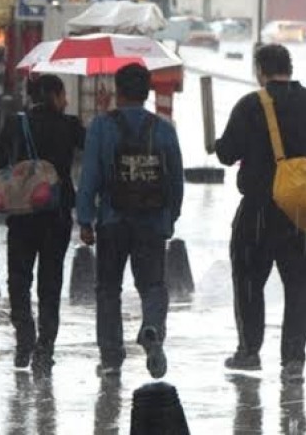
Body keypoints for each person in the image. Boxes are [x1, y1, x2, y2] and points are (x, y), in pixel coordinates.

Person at [214, 44, 306, 382]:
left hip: (258, 209)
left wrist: (221, 145)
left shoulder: (251, 105)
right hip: (301, 212)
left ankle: (249, 351)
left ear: (260, 70)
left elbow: (227, 154)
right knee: (298, 287)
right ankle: (293, 360)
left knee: (249, 281)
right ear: (289, 67)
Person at [77, 63, 184, 380]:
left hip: (112, 220)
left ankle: (111, 357)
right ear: (148, 92)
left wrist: (85, 219)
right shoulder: (163, 129)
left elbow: (89, 179)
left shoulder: (101, 126)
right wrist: (170, 217)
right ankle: (151, 328)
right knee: (152, 286)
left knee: (108, 289)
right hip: (152, 223)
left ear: (117, 91)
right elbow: (176, 180)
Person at [0, 74, 86, 377]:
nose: (66, 100)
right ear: (53, 95)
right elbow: (92, 148)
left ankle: (23, 336)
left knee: (19, 278)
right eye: (63, 94)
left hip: (22, 214)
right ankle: (45, 349)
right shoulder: (69, 126)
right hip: (56, 215)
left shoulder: (16, 124)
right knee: (50, 283)